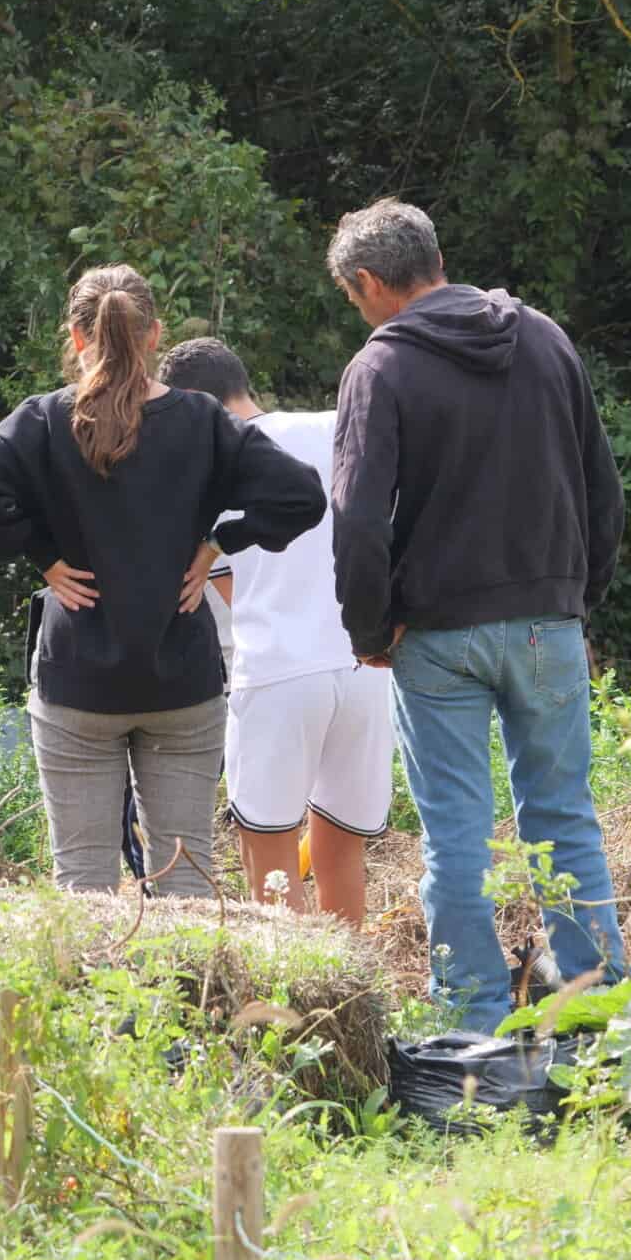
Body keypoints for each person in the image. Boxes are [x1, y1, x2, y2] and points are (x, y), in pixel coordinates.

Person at [325, 197, 629, 1033]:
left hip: (439, 634)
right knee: (565, 816)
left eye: (355, 297)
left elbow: (356, 519)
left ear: (371, 282)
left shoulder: (379, 369)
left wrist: (368, 627)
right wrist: (576, 598)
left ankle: (471, 1019)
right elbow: (603, 488)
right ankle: (596, 1005)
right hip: (546, 619)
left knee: (457, 834)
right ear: (437, 257)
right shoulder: (546, 339)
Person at [0, 266, 325, 894]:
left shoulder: (43, 421)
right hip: (182, 681)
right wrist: (219, 543)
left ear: (75, 336)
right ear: (154, 336)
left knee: (84, 880)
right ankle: (189, 997)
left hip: (77, 681)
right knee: (186, 876)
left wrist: (42, 554)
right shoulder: (202, 420)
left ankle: (91, 997)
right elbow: (301, 496)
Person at [158, 337, 394, 926]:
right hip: (367, 669)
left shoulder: (215, 463)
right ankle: (350, 997)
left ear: (193, 402)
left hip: (278, 672)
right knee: (342, 850)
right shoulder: (339, 424)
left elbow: (233, 592)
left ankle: (286, 1002)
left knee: (269, 853)